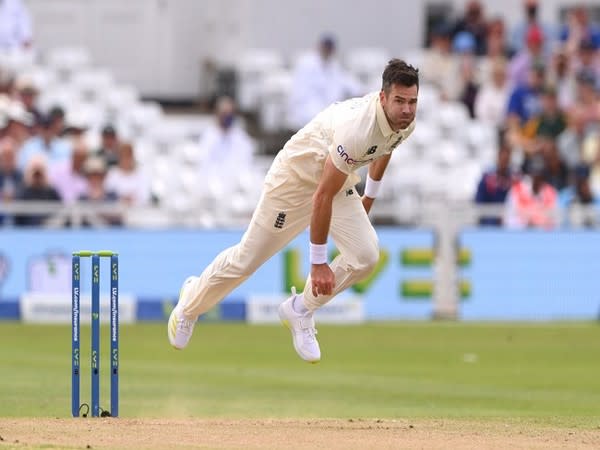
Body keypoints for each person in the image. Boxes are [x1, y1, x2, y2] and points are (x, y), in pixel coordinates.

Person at [168, 59, 419, 362]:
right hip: (293, 182)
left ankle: (300, 309)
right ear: (383, 97)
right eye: (400, 101)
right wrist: (317, 264)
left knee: (366, 256)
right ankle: (190, 305)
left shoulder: (405, 123)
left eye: (412, 102)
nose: (407, 109)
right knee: (246, 260)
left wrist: (369, 197)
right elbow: (321, 196)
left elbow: (384, 149)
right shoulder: (358, 130)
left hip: (336, 180)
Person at [286, 34, 362, 130]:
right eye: (326, 47)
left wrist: (361, 92)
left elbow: (347, 82)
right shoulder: (306, 63)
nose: (327, 50)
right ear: (320, 46)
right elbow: (300, 93)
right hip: (307, 110)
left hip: (327, 111)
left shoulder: (333, 65)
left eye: (330, 48)